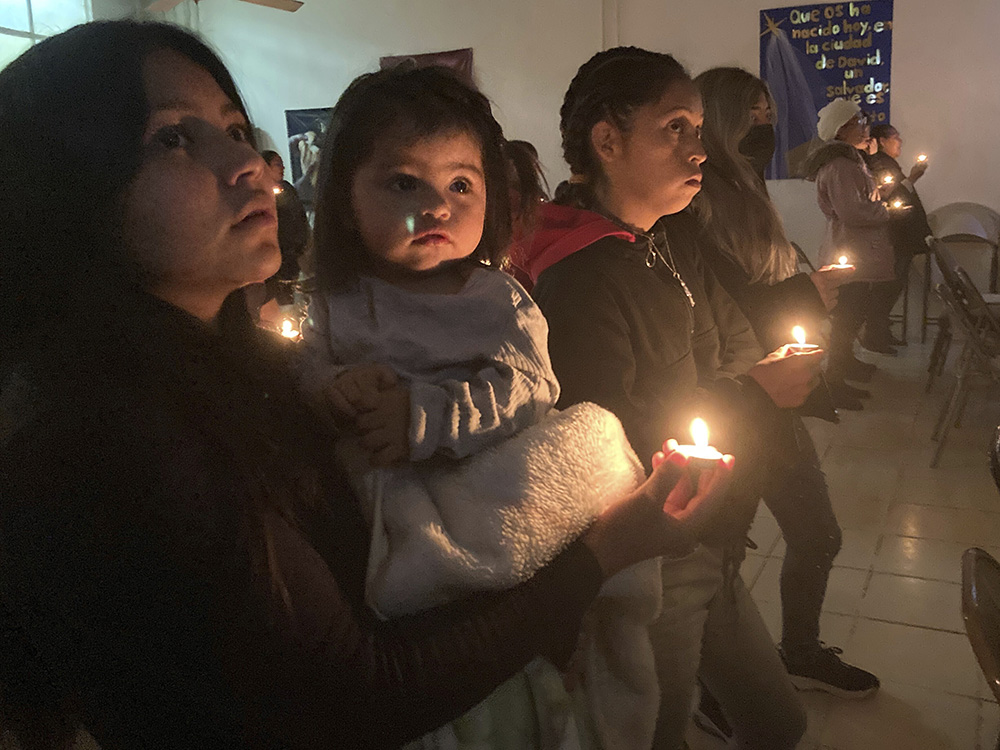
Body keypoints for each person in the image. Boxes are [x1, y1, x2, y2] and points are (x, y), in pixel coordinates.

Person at [0, 21, 734, 750]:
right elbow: (365, 694)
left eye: (231, 125)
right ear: (65, 187)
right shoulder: (117, 440)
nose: (251, 163)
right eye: (172, 137)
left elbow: (525, 388)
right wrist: (607, 550)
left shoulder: (229, 369)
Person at [301, 64, 664, 748]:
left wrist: (424, 416)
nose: (437, 206)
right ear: (345, 198)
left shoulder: (497, 300)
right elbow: (311, 367)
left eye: (460, 184)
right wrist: (332, 389)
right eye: (404, 182)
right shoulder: (339, 299)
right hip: (380, 519)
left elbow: (528, 390)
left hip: (485, 486)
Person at [516, 46, 822, 749]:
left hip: (712, 533)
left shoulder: (663, 239)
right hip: (657, 553)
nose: (699, 148)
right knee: (657, 733)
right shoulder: (583, 274)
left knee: (779, 721)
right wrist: (753, 391)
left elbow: (731, 338)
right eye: (675, 128)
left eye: (697, 128)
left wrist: (757, 375)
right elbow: (605, 433)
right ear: (608, 140)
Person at [693, 67, 879, 709]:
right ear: (717, 119)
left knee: (817, 534)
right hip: (735, 395)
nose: (766, 125)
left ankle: (797, 651)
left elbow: (760, 281)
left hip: (776, 392)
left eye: (770, 112)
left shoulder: (744, 185)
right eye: (753, 113)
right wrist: (806, 292)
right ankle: (708, 679)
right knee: (719, 557)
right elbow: (721, 296)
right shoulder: (696, 198)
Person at [805, 98, 895, 398]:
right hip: (850, 251)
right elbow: (852, 212)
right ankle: (834, 379)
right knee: (846, 317)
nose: (864, 127)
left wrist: (878, 194)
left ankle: (847, 364)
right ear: (842, 129)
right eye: (858, 122)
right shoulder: (841, 165)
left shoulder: (849, 160)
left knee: (854, 314)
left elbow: (858, 201)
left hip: (857, 251)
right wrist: (887, 211)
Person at [865, 123, 933, 346]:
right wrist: (912, 177)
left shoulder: (887, 163)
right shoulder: (880, 163)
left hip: (901, 235)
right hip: (895, 235)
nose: (900, 141)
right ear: (882, 141)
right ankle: (875, 334)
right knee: (888, 285)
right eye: (895, 136)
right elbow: (890, 192)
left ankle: (880, 332)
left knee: (894, 284)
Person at [261, 149, 310, 303]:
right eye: (277, 164)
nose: (282, 168)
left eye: (282, 164)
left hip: (296, 256)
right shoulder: (261, 196)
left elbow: (300, 217)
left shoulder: (288, 189)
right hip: (278, 260)